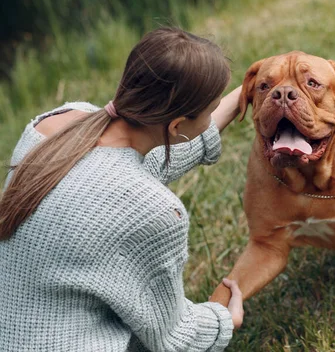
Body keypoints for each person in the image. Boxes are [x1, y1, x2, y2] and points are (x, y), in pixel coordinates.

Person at [0, 27, 244, 352]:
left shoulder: (55, 124)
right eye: (210, 110)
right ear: (176, 125)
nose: (213, 114)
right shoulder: (152, 210)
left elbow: (142, 161)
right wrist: (225, 319)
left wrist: (249, 91)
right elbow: (173, 336)